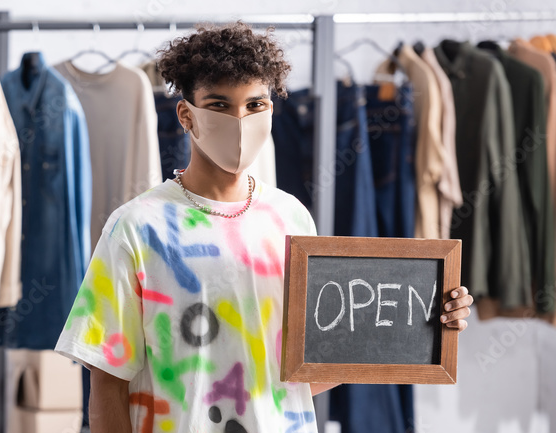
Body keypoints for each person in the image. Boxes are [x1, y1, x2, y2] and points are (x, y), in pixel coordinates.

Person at [54, 21, 474, 433]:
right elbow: (107, 381)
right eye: (219, 105)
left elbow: (299, 377)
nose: (240, 119)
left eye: (255, 105)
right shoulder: (135, 227)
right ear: (186, 115)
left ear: (270, 109)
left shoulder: (292, 218)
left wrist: (421, 318)